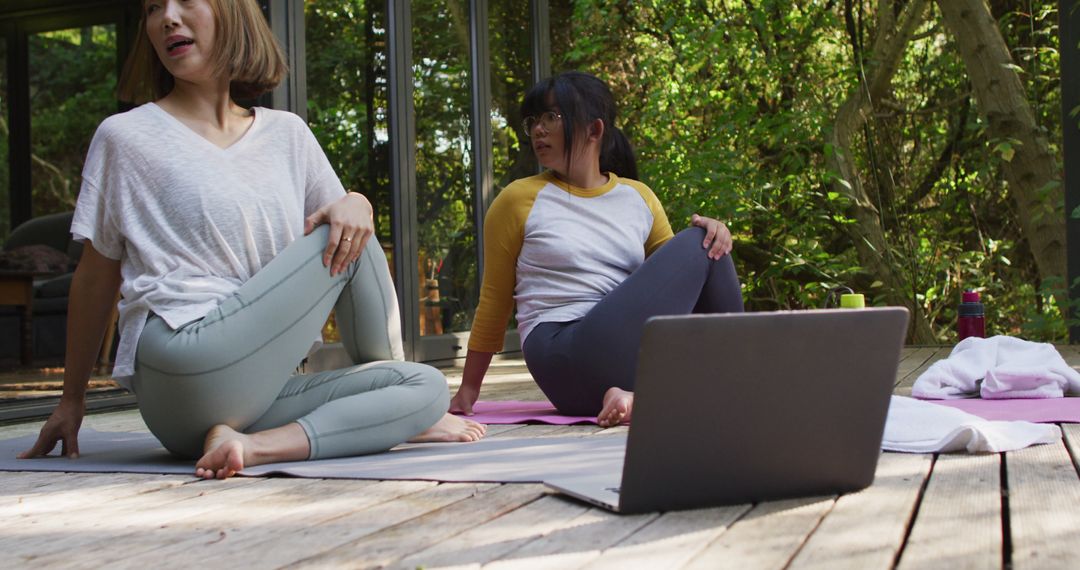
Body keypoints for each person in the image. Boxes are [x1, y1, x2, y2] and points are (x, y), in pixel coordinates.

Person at [18, 0, 484, 479]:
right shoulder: (126, 136)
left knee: (424, 387)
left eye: (183, 2)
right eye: (153, 9)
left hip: (226, 404)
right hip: (183, 351)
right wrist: (71, 401)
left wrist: (357, 201)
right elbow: (97, 275)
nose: (168, 18)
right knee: (347, 228)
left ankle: (254, 445)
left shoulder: (287, 135)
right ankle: (389, 409)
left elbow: (348, 223)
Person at [449, 71, 744, 426]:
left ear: (594, 129)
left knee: (711, 241)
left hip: (621, 353)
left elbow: (679, 289)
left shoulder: (639, 198)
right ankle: (741, 380)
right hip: (562, 352)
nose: (538, 130)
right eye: (534, 121)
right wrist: (469, 389)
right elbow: (495, 299)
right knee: (701, 240)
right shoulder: (518, 199)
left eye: (551, 117)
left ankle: (633, 396)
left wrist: (717, 231)